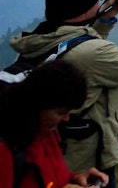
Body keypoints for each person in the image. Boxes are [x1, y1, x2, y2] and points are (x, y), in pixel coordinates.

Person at [8, 0, 118, 188]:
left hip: (64, 154)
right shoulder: (90, 53)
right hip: (89, 157)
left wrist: (105, 17)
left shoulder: (41, 40)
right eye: (97, 0)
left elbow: (79, 43)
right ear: (84, 8)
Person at [0, 60, 110, 188]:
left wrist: (76, 178)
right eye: (60, 112)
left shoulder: (46, 130)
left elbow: (51, 178)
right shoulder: (6, 148)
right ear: (39, 104)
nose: (66, 119)